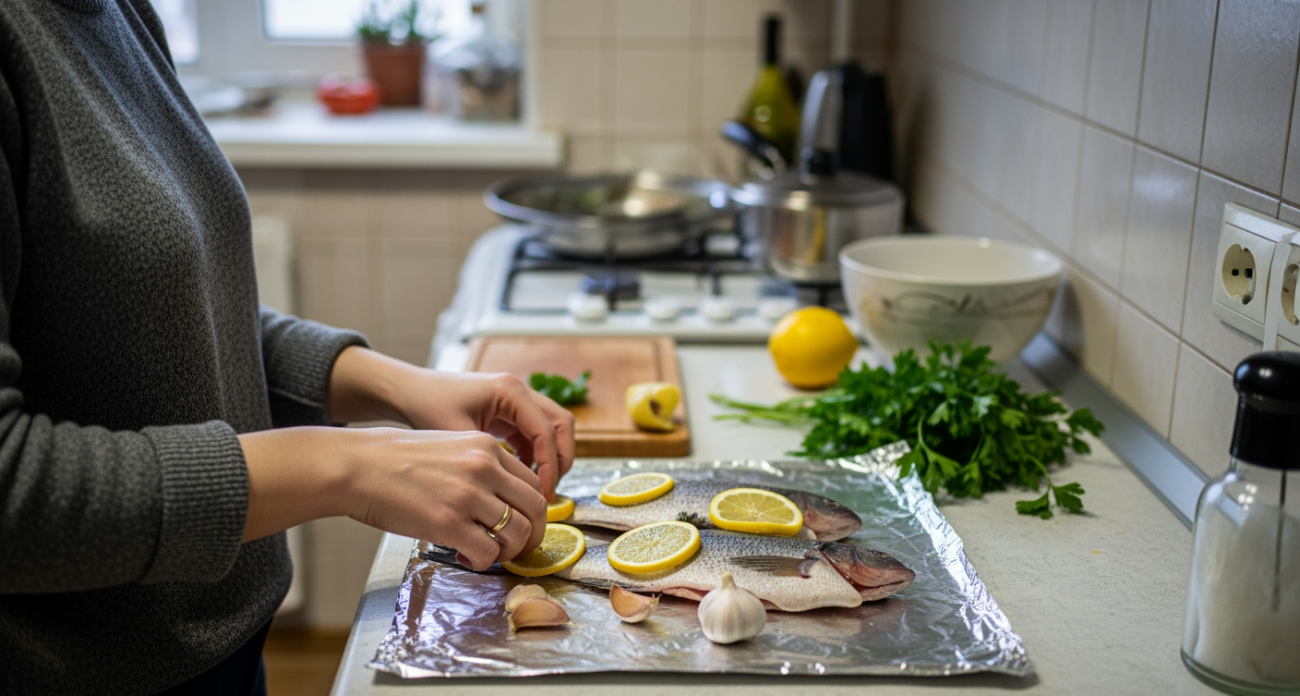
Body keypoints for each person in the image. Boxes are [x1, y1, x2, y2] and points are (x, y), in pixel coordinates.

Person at [0, 1, 575, 694]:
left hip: (218, 650)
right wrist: (343, 467)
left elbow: (164, 316)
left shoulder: (117, 12)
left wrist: (390, 384)